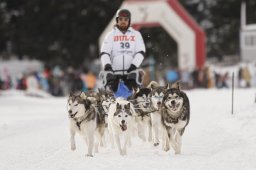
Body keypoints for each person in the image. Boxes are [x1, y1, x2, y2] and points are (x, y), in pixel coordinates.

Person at [100, 9, 146, 92]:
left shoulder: (136, 34)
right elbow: (104, 53)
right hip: (115, 73)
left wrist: (134, 65)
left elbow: (141, 52)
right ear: (117, 20)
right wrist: (107, 66)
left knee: (133, 96)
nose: (123, 21)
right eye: (120, 19)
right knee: (113, 98)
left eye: (125, 19)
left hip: (131, 73)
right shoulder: (110, 35)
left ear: (129, 21)